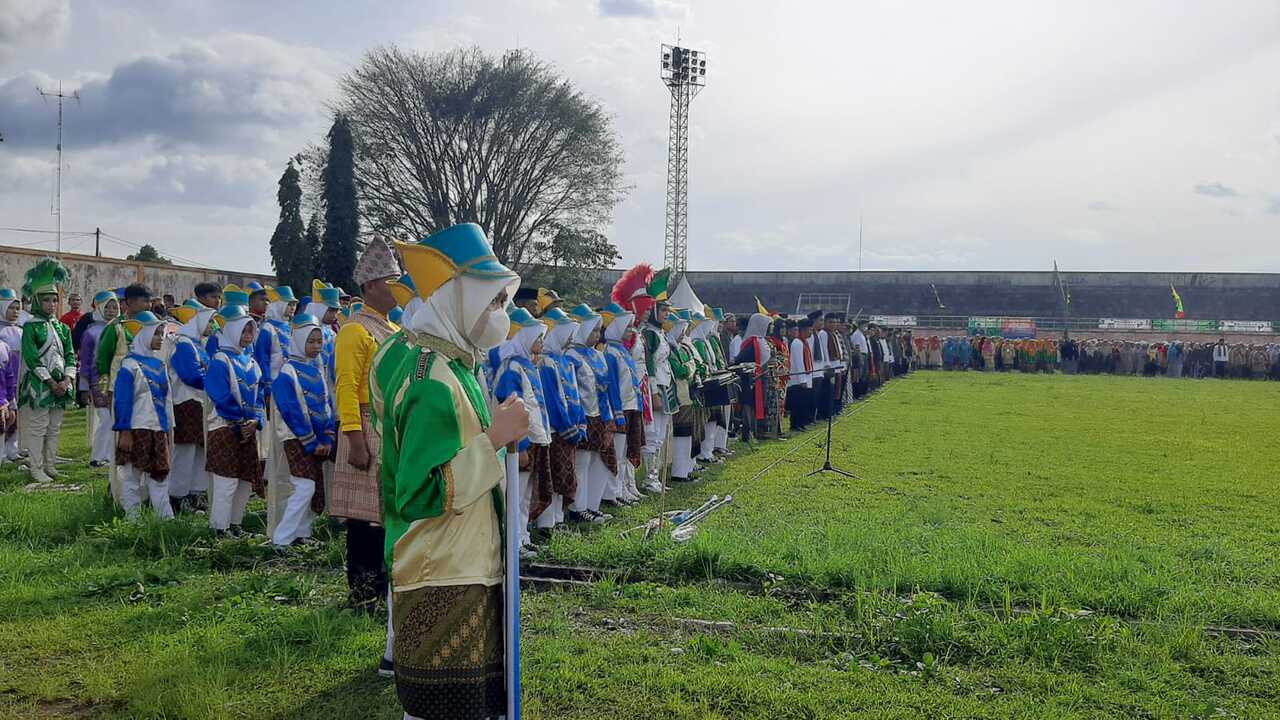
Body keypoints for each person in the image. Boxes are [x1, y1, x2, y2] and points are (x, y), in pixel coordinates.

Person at [380, 222, 526, 720]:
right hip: (441, 566)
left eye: (502, 302)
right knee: (441, 709)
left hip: (463, 558)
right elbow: (419, 492)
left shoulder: (455, 365)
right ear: (455, 299)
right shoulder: (433, 380)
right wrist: (495, 439)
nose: (501, 315)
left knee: (463, 705)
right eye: (493, 302)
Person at [332, 238, 401, 613]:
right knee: (364, 517)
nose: (398, 288)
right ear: (372, 285)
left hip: (387, 426)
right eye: (392, 281)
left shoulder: (392, 328)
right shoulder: (355, 330)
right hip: (364, 426)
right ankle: (362, 593)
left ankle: (384, 588)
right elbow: (345, 386)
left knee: (385, 513)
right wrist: (355, 439)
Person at [491, 307, 554, 556]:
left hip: (535, 437)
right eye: (538, 337)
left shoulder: (527, 365)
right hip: (519, 442)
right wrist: (521, 444)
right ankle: (513, 543)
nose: (541, 343)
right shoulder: (512, 368)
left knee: (526, 492)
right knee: (515, 494)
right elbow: (511, 406)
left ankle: (523, 537)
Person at [270, 314, 336, 548]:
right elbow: (291, 410)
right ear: (298, 340)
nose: (317, 346)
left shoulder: (316, 371)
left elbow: (327, 405)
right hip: (297, 438)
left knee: (313, 486)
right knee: (304, 486)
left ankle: (302, 533)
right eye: (311, 341)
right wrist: (310, 440)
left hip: (318, 440)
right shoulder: (287, 372)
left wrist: (328, 436)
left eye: (319, 341)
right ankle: (281, 539)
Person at [205, 304, 264, 535]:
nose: (248, 336)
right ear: (231, 330)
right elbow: (220, 394)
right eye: (243, 331)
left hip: (247, 429)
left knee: (245, 480)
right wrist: (240, 421)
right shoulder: (220, 360)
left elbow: (260, 396)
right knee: (226, 481)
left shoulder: (252, 363)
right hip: (224, 428)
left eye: (251, 331)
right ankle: (220, 527)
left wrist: (256, 419)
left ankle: (236, 524)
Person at [18, 259, 77, 483]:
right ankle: (36, 468)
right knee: (38, 427)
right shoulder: (30, 327)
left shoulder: (63, 328)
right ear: (36, 301)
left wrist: (67, 379)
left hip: (62, 384)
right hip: (39, 385)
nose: (52, 304)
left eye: (54, 300)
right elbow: (32, 358)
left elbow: (70, 354)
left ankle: (50, 466)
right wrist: (51, 382)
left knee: (54, 428)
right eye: (46, 300)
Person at [112, 312, 175, 519]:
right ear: (143, 334)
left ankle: (165, 519)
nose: (161, 338)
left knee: (160, 474)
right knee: (132, 476)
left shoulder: (160, 365)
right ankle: (132, 519)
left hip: (158, 429)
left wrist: (168, 427)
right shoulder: (129, 365)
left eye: (162, 334)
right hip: (137, 428)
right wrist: (125, 431)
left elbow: (167, 399)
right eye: (156, 333)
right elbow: (123, 401)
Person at [565, 303, 617, 521]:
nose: (597, 335)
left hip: (601, 414)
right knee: (581, 462)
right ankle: (578, 508)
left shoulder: (598, 354)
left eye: (598, 330)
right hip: (583, 415)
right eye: (593, 330)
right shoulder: (571, 355)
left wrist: (610, 415)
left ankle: (592, 504)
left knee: (599, 460)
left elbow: (606, 384)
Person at [536, 306, 583, 529]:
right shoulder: (545, 362)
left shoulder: (564, 360)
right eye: (568, 334)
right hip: (556, 428)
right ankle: (547, 523)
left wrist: (579, 421)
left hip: (569, 426)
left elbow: (575, 394)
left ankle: (558, 518)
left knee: (564, 475)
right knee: (554, 475)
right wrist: (566, 425)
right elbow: (552, 399)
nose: (571, 339)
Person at [168, 299, 216, 512]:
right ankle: (178, 494)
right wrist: (215, 381)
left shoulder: (196, 343)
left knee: (199, 449)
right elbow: (191, 375)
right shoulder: (183, 344)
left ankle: (196, 491)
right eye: (209, 321)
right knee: (185, 450)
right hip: (186, 402)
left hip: (199, 401)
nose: (212, 326)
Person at [599, 302, 645, 502]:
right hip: (621, 408)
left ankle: (622, 488)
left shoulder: (622, 351)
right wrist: (617, 412)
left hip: (631, 406)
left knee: (625, 450)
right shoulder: (610, 352)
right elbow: (613, 385)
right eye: (627, 327)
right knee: (616, 453)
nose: (631, 330)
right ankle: (612, 493)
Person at [79, 291, 120, 468]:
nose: (111, 311)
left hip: (117, 381)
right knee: (106, 419)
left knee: (114, 419)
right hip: (98, 382)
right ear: (99, 308)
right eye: (107, 307)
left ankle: (109, 456)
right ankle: (96, 457)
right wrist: (84, 387)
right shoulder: (91, 332)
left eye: (114, 307)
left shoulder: (120, 329)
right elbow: (85, 361)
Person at [733, 313, 772, 445]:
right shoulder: (751, 342)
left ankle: (756, 431)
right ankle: (747, 434)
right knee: (748, 408)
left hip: (759, 379)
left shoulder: (761, 341)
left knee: (756, 407)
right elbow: (739, 360)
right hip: (749, 380)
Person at [0, 289, 23, 463]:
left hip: (20, 379)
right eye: (11, 308)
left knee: (16, 416)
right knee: (5, 417)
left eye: (17, 308)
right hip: (4, 381)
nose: (15, 312)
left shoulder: (22, 331)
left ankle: (12, 449)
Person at [787, 318, 814, 432]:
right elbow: (799, 363)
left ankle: (801, 423)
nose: (811, 332)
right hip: (797, 379)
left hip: (804, 377)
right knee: (798, 403)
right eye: (809, 330)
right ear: (803, 330)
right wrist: (802, 380)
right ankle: (795, 424)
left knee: (804, 402)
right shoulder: (797, 343)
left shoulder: (804, 342)